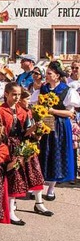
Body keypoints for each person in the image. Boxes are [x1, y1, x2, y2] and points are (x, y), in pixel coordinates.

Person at [0, 82, 48, 224]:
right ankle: (8, 209)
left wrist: (36, 129)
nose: (17, 97)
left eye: (19, 94)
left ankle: (21, 207)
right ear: (6, 94)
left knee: (24, 174)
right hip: (6, 146)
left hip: (21, 145)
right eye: (14, 94)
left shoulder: (23, 111)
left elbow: (25, 132)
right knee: (10, 176)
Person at [30, 61, 80, 201]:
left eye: (49, 74)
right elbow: (33, 105)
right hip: (46, 122)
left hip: (60, 125)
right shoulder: (43, 89)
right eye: (46, 74)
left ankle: (51, 189)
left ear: (57, 76)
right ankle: (38, 187)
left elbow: (70, 113)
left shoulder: (66, 90)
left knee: (57, 154)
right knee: (44, 154)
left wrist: (52, 110)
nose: (46, 76)